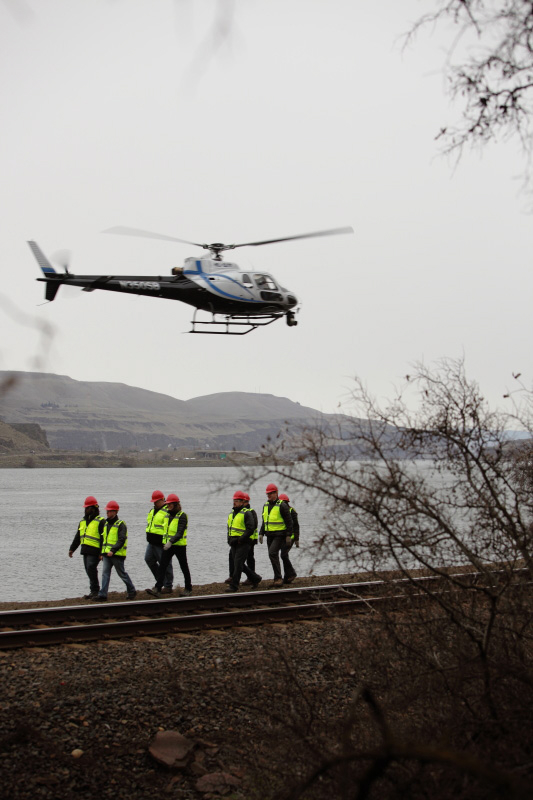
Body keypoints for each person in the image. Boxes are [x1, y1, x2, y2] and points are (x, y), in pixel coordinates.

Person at [147, 493, 192, 598]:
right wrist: (165, 543)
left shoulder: (182, 516)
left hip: (179, 546)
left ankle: (188, 588)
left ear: (176, 504)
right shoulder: (167, 515)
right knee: (162, 566)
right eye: (168, 504)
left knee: (184, 566)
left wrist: (170, 542)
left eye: (170, 504)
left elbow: (180, 532)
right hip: (168, 546)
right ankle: (157, 588)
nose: (168, 506)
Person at [93, 501, 137, 602]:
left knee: (121, 573)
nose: (107, 513)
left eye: (109, 511)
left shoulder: (121, 524)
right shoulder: (106, 524)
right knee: (105, 573)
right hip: (107, 554)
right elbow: (103, 540)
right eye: (107, 511)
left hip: (117, 554)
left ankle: (131, 590)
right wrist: (101, 553)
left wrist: (113, 550)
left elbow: (121, 539)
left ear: (115, 512)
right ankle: (103, 594)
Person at [225, 490, 262, 593]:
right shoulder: (232, 513)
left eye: (237, 500)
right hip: (233, 542)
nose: (234, 502)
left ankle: (234, 585)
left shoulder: (247, 513)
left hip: (244, 542)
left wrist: (241, 539)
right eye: (234, 500)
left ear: (242, 502)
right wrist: (229, 539)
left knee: (238, 563)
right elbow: (229, 528)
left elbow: (251, 528)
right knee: (239, 564)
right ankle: (255, 578)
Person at [69, 495, 104, 599]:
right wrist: (72, 549)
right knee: (88, 570)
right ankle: (93, 591)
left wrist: (101, 553)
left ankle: (95, 590)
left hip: (95, 551)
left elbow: (104, 538)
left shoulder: (101, 521)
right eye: (85, 508)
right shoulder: (83, 521)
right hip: (85, 550)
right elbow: (78, 537)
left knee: (91, 568)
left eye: (87, 508)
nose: (86, 510)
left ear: (93, 508)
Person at [259, 483, 294, 586]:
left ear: (276, 493)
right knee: (272, 555)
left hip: (279, 535)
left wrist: (288, 535)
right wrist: (261, 533)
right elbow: (264, 521)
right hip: (269, 535)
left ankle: (278, 578)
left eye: (271, 493)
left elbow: (289, 522)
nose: (269, 495)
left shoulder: (282, 505)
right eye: (268, 494)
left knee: (272, 553)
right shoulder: (265, 505)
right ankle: (278, 577)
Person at [145, 489, 173, 593]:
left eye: (157, 501)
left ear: (162, 500)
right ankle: (160, 581)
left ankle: (168, 585)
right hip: (151, 542)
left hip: (162, 543)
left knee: (165, 564)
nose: (155, 503)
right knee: (148, 559)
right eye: (154, 502)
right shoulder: (152, 511)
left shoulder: (167, 512)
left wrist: (168, 542)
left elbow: (170, 528)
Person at [278, 493, 299, 584]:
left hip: (291, 537)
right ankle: (287, 577)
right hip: (285, 537)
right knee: (284, 555)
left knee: (283, 555)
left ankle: (291, 573)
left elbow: (296, 526)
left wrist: (296, 539)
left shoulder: (291, 511)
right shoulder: (280, 511)